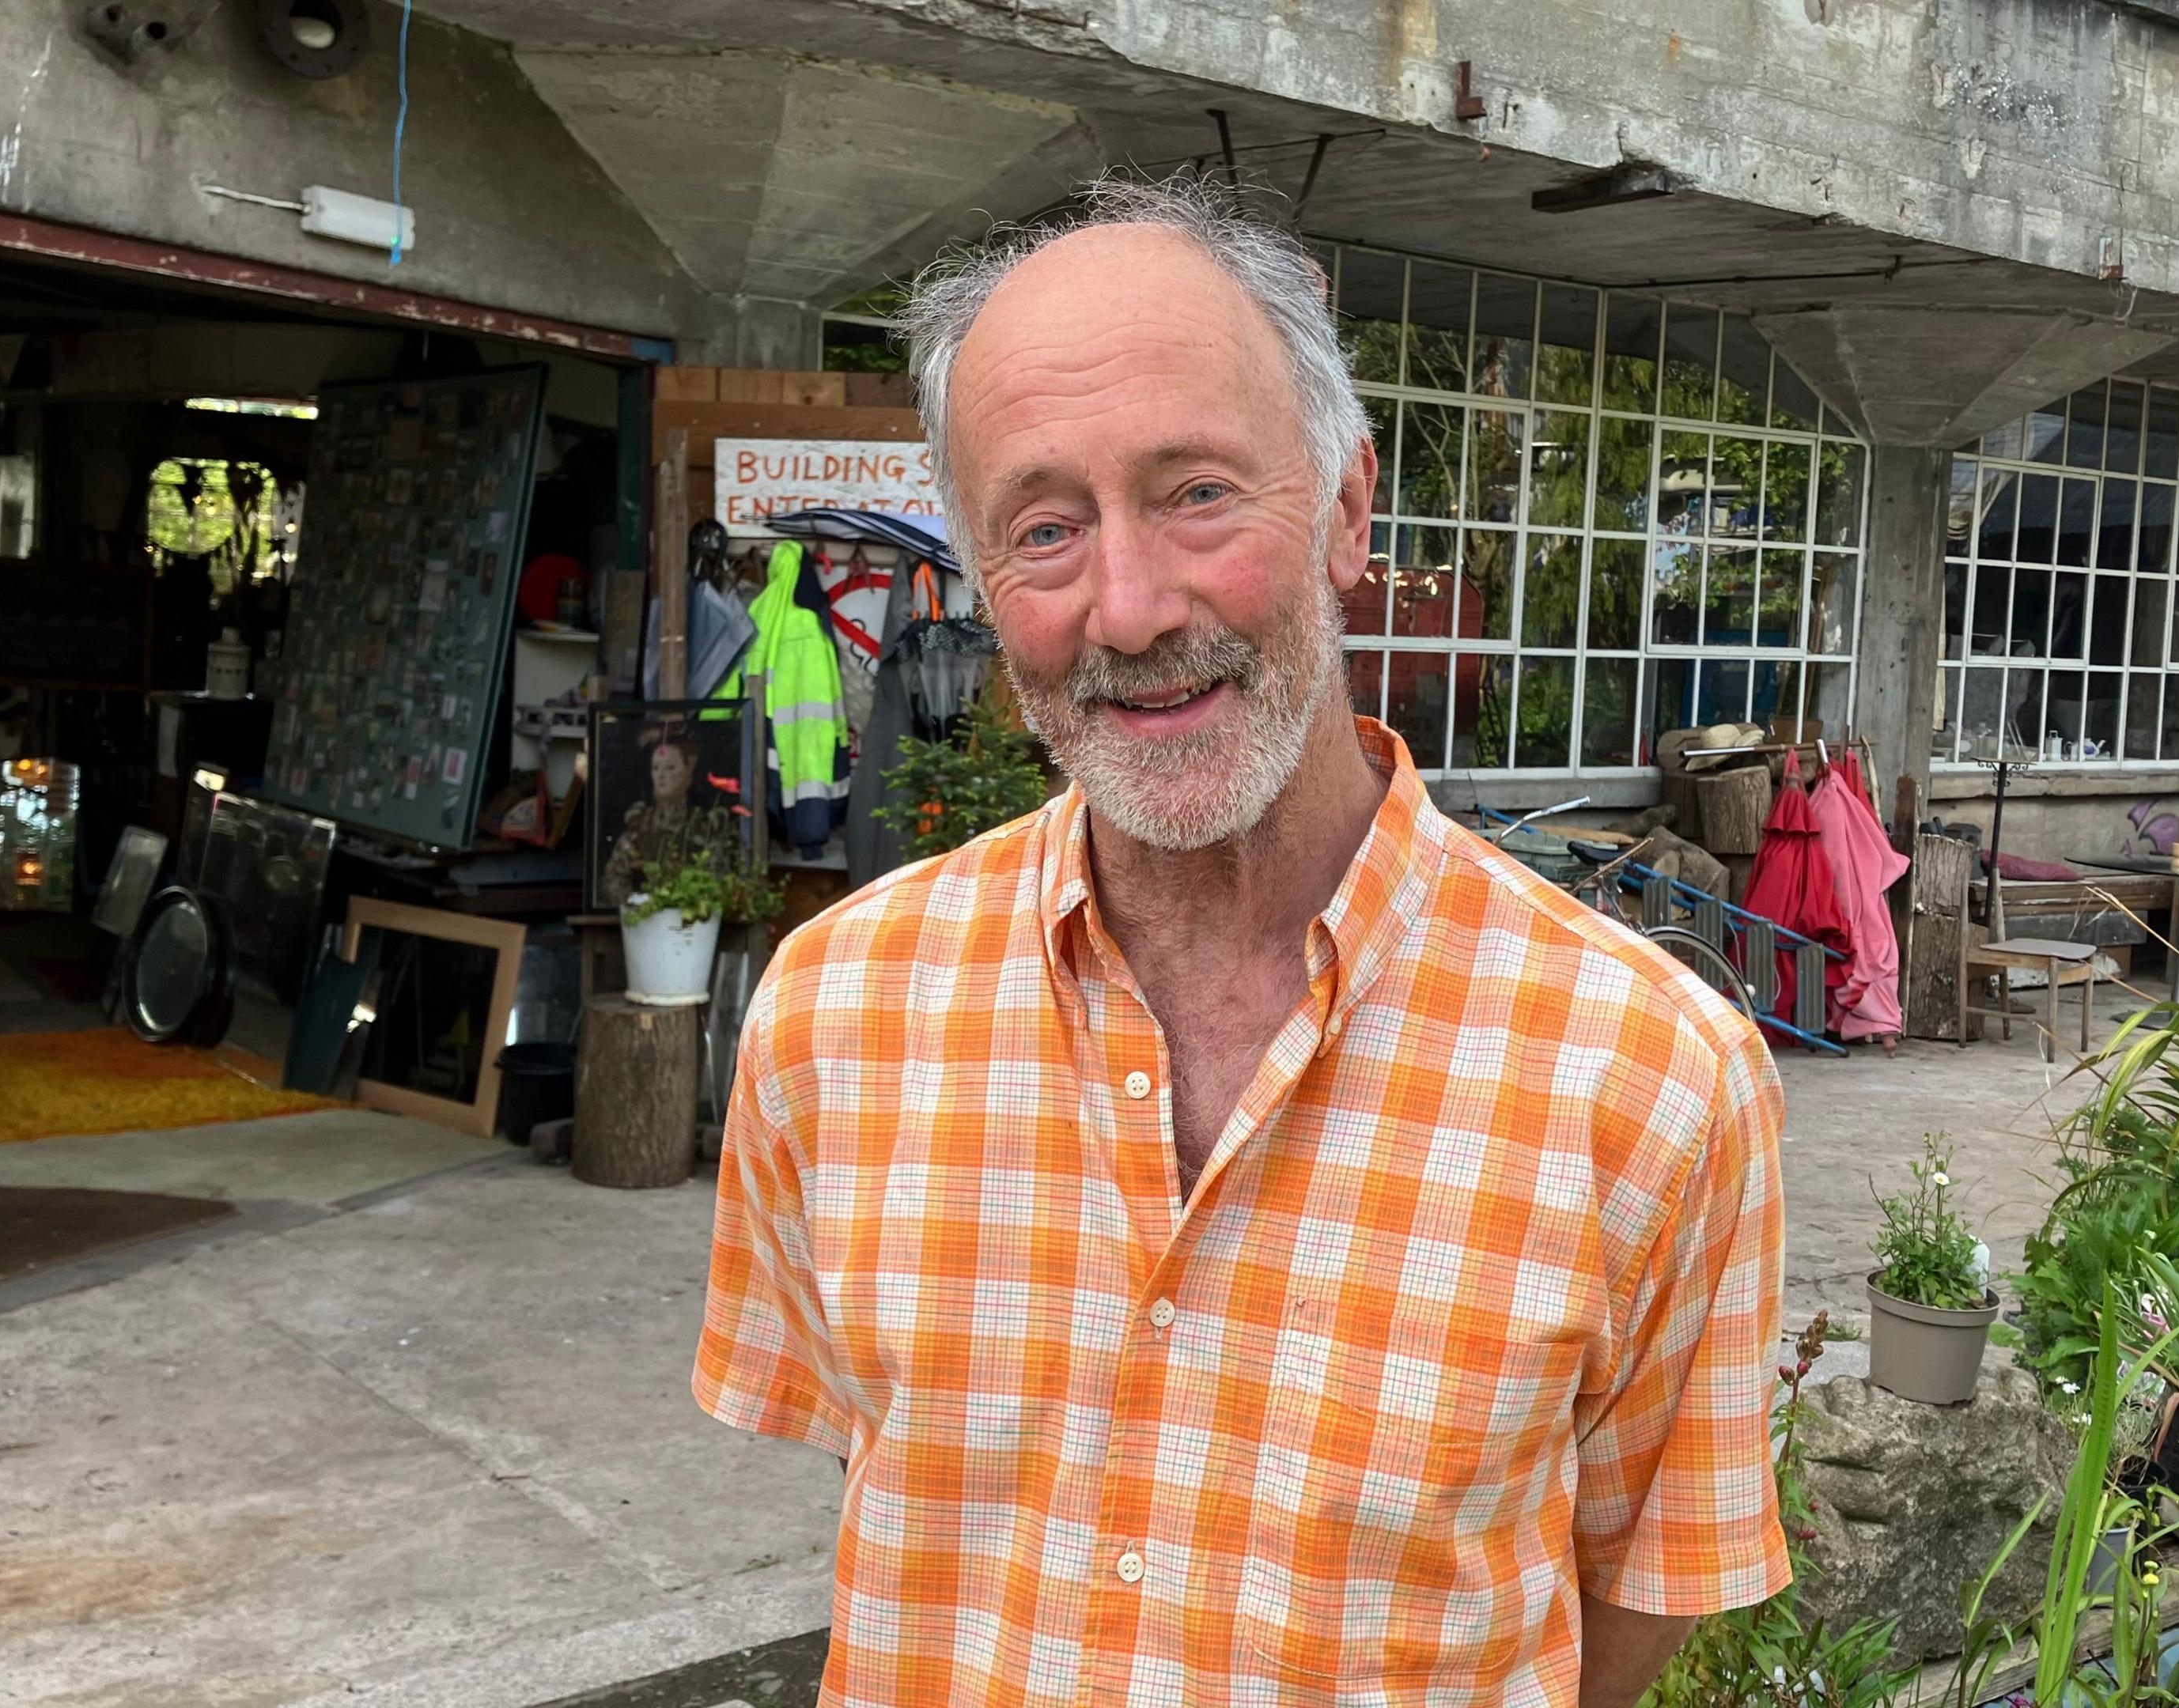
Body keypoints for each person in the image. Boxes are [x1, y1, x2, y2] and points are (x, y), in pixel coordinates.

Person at [696, 175, 1788, 1707]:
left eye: (1198, 492)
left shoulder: (1656, 1077)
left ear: (1347, 507)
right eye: (1046, 527)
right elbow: (893, 1477)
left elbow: (1638, 1597)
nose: (1130, 610)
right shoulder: (832, 1016)